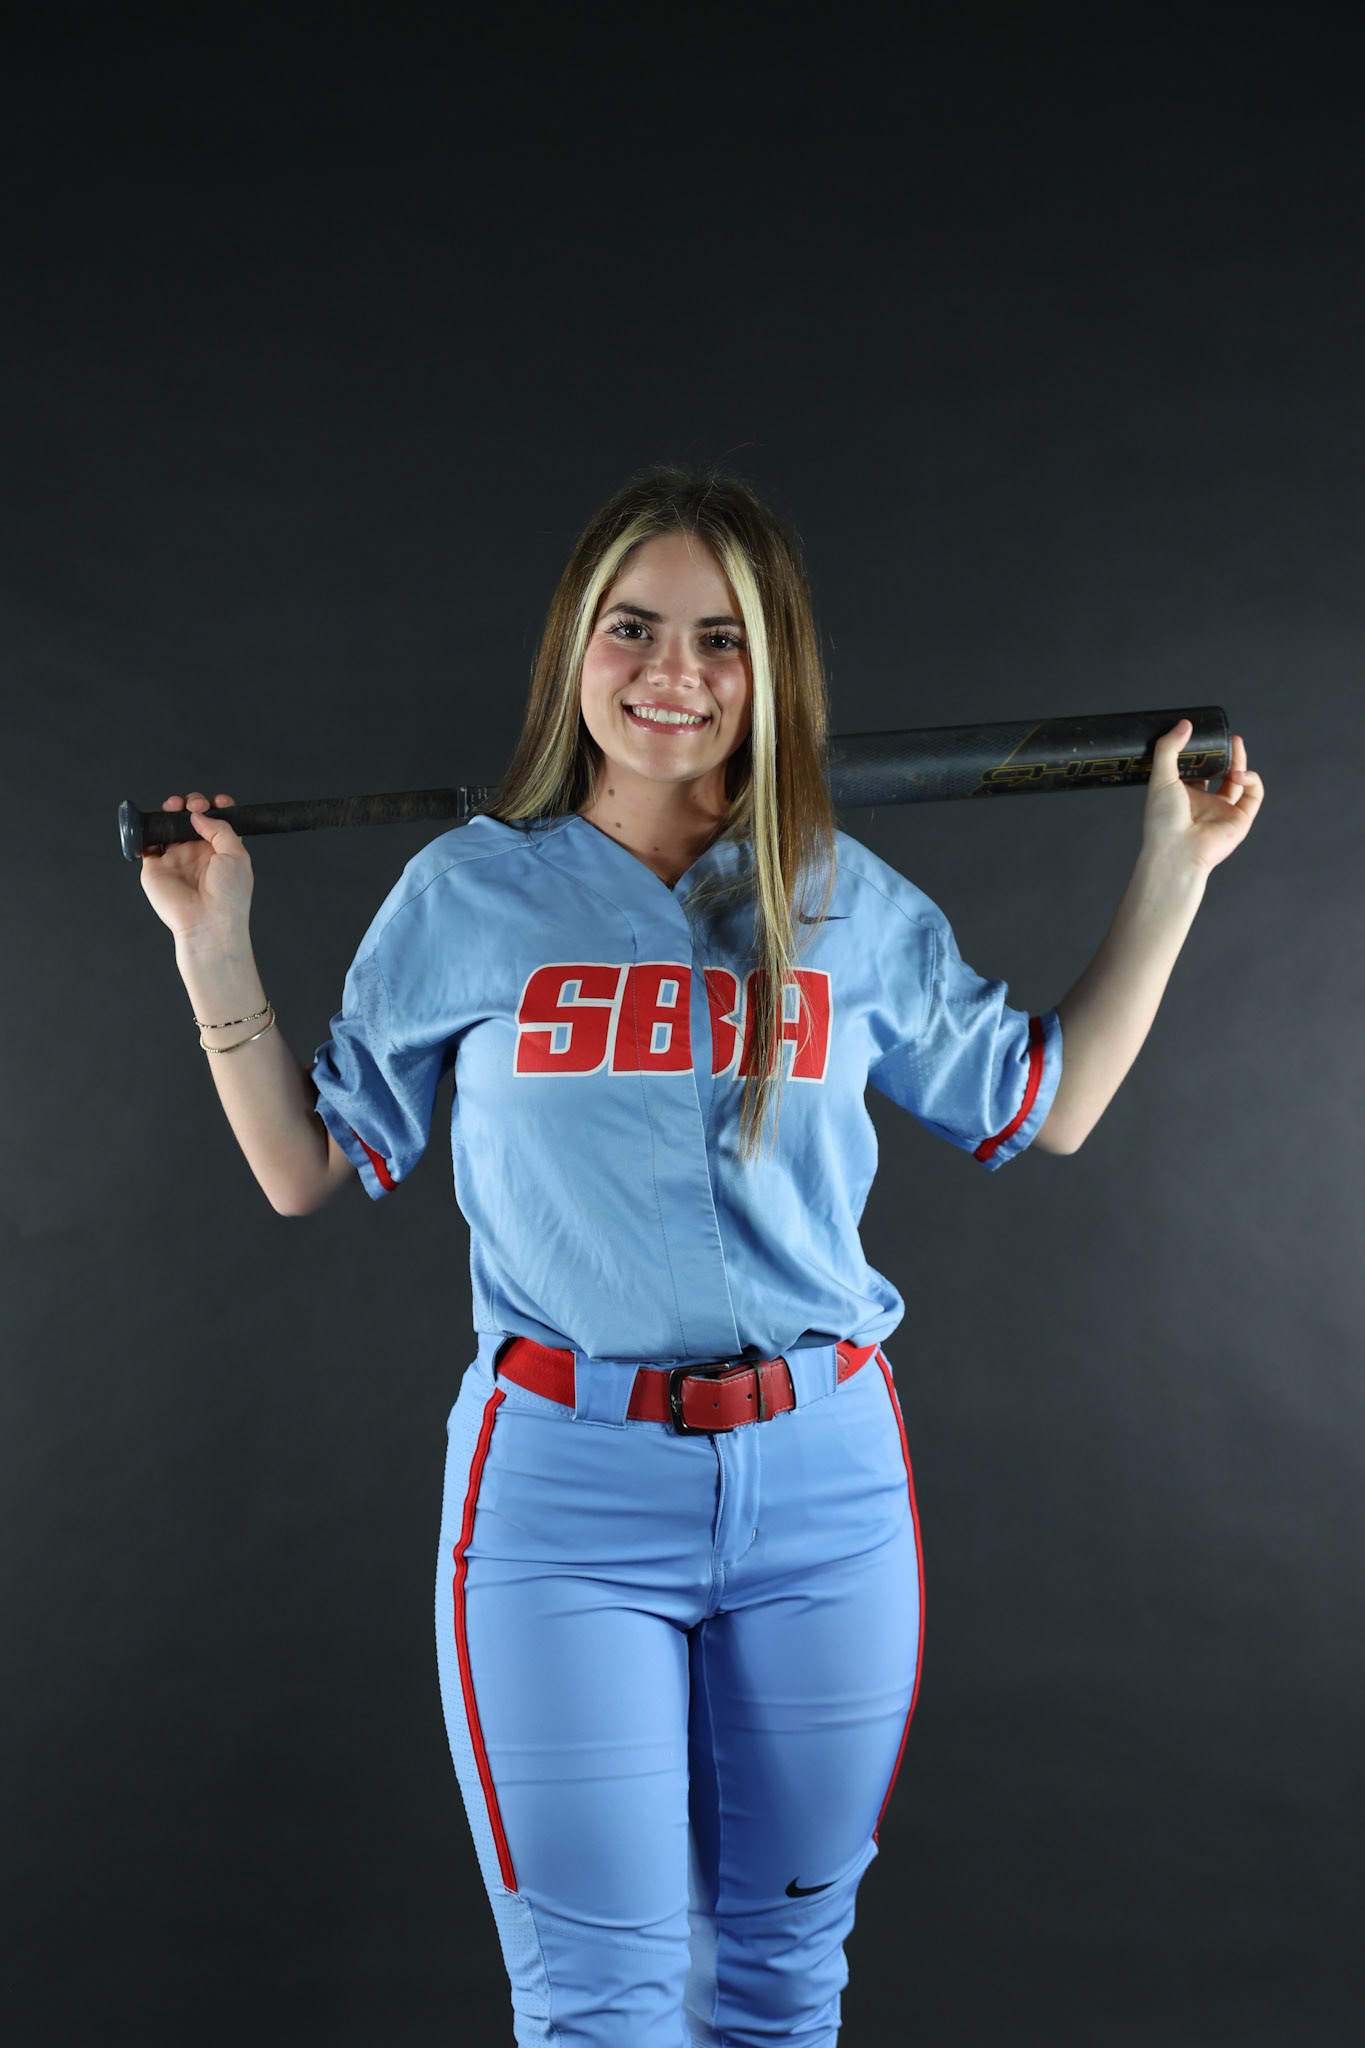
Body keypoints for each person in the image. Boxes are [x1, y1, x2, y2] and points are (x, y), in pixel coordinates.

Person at [140, 467, 1264, 2047]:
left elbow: (1042, 1105)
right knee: (600, 2010)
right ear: (574, 655)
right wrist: (214, 951)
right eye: (634, 629)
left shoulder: (844, 904)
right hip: (560, 1499)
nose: (672, 673)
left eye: (720, 640)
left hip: (827, 1494)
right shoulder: (470, 892)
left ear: (773, 671)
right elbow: (306, 1170)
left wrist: (1172, 870)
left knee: (783, 1992)